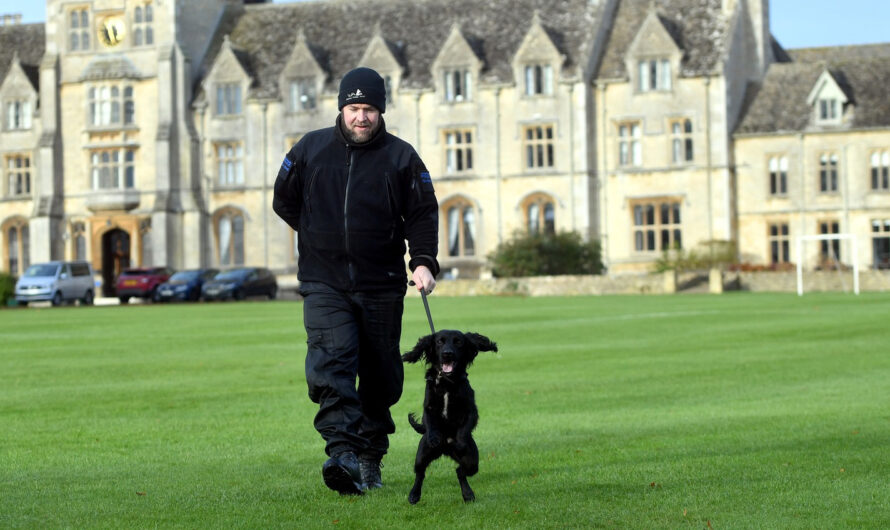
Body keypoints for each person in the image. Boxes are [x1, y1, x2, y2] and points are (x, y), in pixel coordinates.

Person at [272, 67, 439, 495]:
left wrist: (422, 263)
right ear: (341, 108)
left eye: (368, 109)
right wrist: (317, 236)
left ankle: (370, 456)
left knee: (380, 375)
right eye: (353, 108)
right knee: (331, 363)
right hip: (323, 282)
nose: (360, 117)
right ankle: (342, 454)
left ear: (380, 111)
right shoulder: (310, 149)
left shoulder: (402, 158)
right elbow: (283, 200)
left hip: (382, 282)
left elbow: (422, 214)